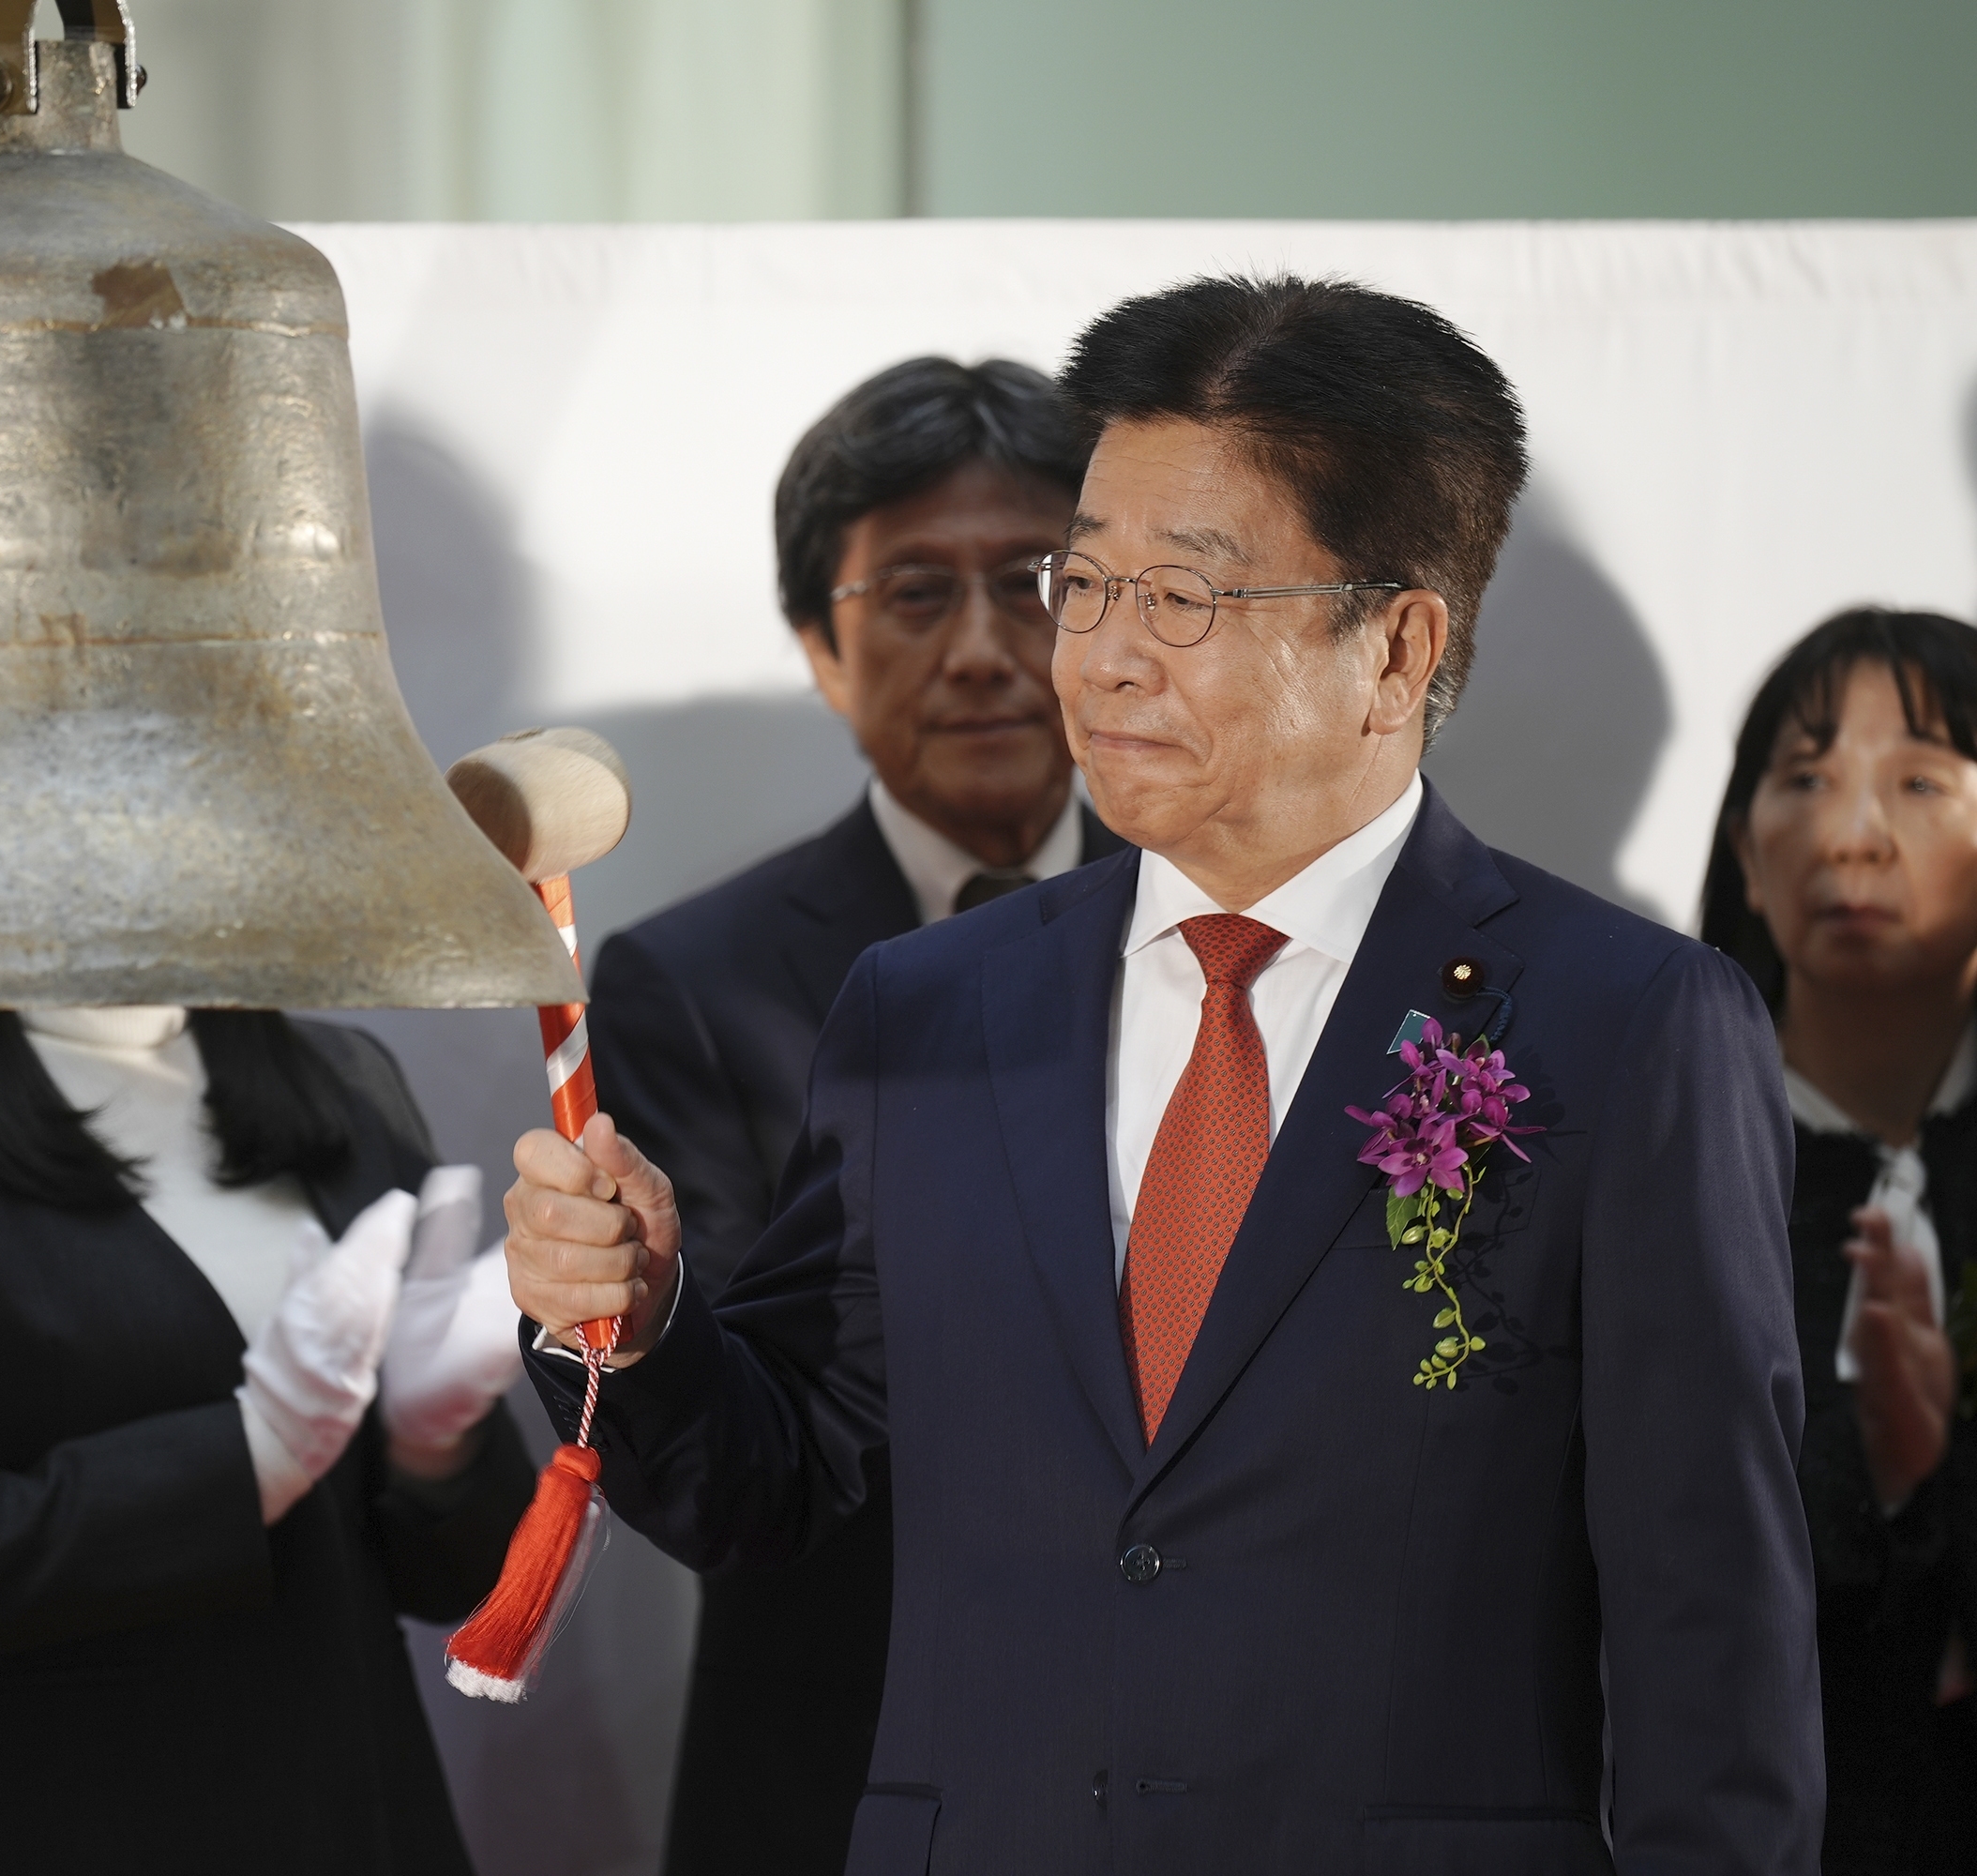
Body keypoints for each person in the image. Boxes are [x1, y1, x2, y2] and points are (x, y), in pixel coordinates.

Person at [502, 275, 1823, 1871]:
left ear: (1397, 646)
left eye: (1185, 601)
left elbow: (1715, 1631)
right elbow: (782, 1484)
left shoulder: (1627, 1026)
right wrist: (640, 1326)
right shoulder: (927, 1006)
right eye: (1091, 582)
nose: (1101, 661)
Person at [583, 355, 1119, 1875]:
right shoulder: (694, 982)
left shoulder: (1231, 937)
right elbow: (745, 1438)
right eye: (911, 594)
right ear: (822, 647)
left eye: (1036, 583)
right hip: (841, 1779)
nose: (980, 652)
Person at [0, 1005, 534, 1872]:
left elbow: (455, 1583)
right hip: (61, 1820)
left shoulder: (340, 1070)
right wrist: (256, 1449)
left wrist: (435, 1445)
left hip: (355, 1807)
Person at [1702, 609, 1977, 1874]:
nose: (1851, 833)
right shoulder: (1653, 1162)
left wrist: (1934, 1480)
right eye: (1802, 778)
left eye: (1921, 782)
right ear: (1748, 856)